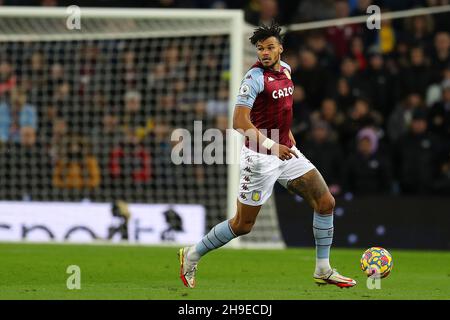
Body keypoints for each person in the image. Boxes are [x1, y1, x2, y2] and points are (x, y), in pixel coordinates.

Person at [178, 22, 356, 289]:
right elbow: (239, 121)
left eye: (270, 47)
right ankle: (192, 254)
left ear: (280, 49)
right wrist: (273, 146)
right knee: (242, 225)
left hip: (285, 151)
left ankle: (323, 269)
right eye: (260, 48)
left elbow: (280, 109)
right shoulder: (254, 78)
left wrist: (287, 134)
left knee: (325, 201)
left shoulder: (286, 70)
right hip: (260, 158)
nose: (264, 52)